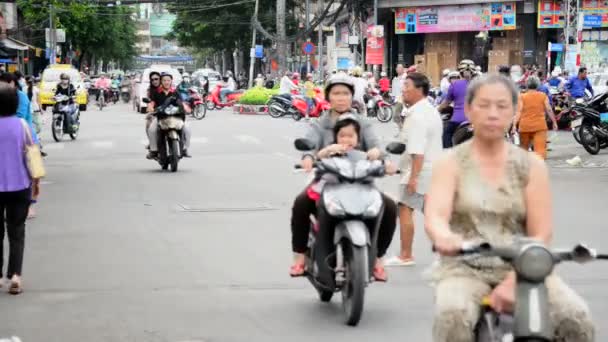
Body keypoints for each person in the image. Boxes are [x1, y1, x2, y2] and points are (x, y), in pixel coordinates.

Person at [425, 74, 594, 342]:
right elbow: (435, 215)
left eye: (502, 106)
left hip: (527, 266)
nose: (493, 114)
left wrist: (516, 279)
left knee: (576, 317)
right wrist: (444, 237)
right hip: (465, 266)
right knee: (452, 315)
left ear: (515, 111)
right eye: (484, 105)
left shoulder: (532, 166)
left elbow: (541, 233)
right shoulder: (450, 163)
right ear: (468, 109)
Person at [289, 74, 398, 281]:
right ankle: (300, 257)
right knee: (301, 203)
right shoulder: (320, 123)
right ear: (329, 97)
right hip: (327, 181)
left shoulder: (362, 123)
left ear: (352, 96)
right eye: (336, 93)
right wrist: (309, 157)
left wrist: (382, 157)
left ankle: (378, 258)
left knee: (390, 207)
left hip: (361, 181)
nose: (341, 98)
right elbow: (309, 145)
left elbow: (377, 145)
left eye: (345, 93)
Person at [384, 73, 443, 267]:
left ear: (419, 89)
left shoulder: (418, 116)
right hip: (431, 168)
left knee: (405, 207)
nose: (403, 89)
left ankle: (406, 255)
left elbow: (417, 151)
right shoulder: (429, 110)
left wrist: (413, 178)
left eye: (407, 86)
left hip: (420, 170)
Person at [0, 82, 41, 295]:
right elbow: (33, 155)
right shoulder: (23, 125)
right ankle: (15, 275)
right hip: (19, 186)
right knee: (17, 232)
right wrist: (36, 182)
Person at [146, 72, 192, 159]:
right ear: (161, 81)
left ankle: (185, 149)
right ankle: (153, 150)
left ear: (171, 81)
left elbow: (182, 102)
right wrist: (150, 107)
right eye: (164, 80)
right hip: (161, 117)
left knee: (187, 128)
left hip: (176, 117)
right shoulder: (156, 92)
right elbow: (152, 102)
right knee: (152, 129)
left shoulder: (175, 92)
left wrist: (186, 108)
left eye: (168, 80)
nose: (166, 82)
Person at [513, 76, 557, 160]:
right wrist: (554, 122)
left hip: (525, 126)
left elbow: (518, 111)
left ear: (526, 84)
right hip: (539, 126)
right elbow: (549, 109)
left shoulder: (522, 97)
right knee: (540, 152)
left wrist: (514, 125)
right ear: (538, 85)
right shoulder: (543, 96)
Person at [438, 59, 476, 148]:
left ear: (460, 72)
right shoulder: (479, 85)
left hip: (458, 120)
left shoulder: (455, 85)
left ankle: (448, 154)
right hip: (476, 121)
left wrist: (436, 110)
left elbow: (446, 103)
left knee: (446, 133)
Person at [0, 73, 39, 146]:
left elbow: (20, 116)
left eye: (2, 84)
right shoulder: (4, 95)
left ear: (11, 83)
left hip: (23, 135)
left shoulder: (21, 96)